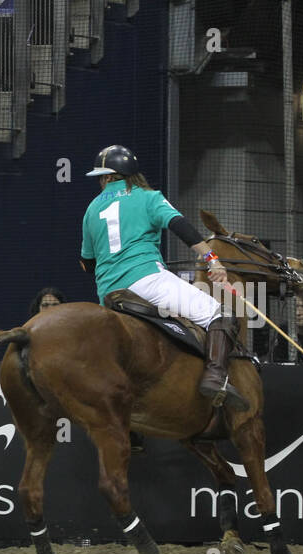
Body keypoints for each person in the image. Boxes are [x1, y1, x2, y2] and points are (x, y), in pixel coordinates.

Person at [81, 144, 249, 411]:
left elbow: (87, 264)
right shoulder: (148, 197)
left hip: (108, 294)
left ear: (108, 177)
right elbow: (180, 226)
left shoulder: (91, 209)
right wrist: (212, 260)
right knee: (221, 314)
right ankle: (216, 378)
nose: (101, 182)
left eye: (102, 177)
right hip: (147, 281)